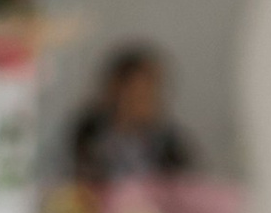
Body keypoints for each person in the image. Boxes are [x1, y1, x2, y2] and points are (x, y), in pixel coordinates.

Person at [67, 43, 198, 187]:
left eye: (150, 93)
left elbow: (186, 185)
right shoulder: (89, 134)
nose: (144, 101)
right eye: (135, 93)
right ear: (115, 91)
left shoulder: (169, 143)